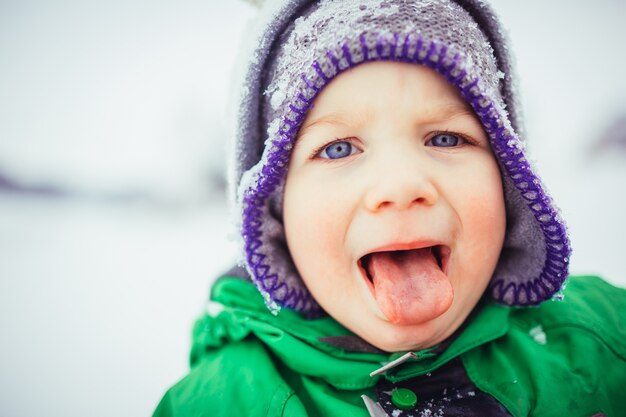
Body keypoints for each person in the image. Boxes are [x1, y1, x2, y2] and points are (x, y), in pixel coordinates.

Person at [153, 0, 626, 415]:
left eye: (445, 138)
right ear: (273, 215)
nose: (401, 187)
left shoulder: (601, 341)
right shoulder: (220, 405)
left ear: (509, 181)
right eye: (339, 148)